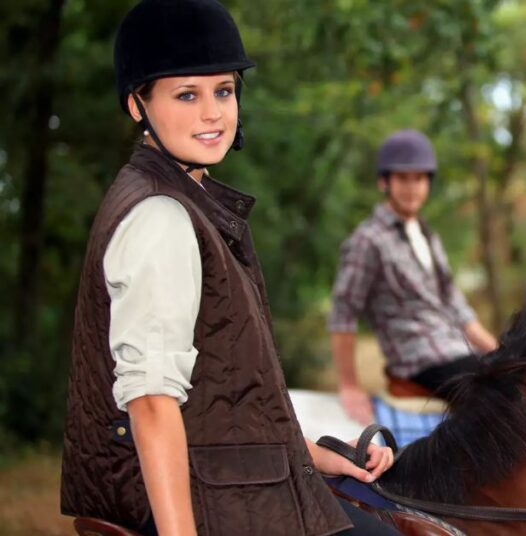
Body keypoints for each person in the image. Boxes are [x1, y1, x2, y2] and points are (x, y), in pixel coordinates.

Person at [59, 1, 396, 534]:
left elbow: (222, 398)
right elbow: (150, 401)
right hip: (200, 503)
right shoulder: (160, 216)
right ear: (136, 105)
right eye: (186, 95)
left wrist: (313, 455)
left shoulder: (187, 201)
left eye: (223, 90)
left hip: (228, 478)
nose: (213, 113)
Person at [329, 129, 499, 425]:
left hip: (455, 348)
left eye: (419, 178)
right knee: (492, 399)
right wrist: (349, 385)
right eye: (403, 179)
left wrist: (498, 350)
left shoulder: (427, 235)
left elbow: (455, 304)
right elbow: (343, 313)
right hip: (418, 358)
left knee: (522, 378)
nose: (412, 188)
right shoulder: (368, 241)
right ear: (384, 181)